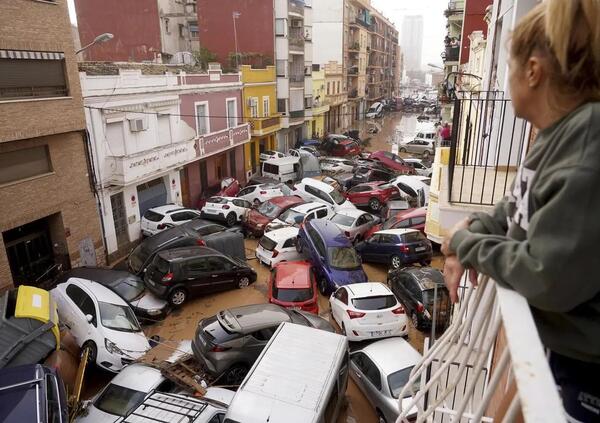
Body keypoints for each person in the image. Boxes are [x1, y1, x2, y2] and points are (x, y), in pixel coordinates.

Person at [441, 0, 600, 421]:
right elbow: (515, 206)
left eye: (508, 66)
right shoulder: (556, 134)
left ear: (533, 71)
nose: (504, 78)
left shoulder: (588, 141)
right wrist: (475, 228)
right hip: (565, 352)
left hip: (589, 373)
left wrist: (465, 242)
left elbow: (546, 276)